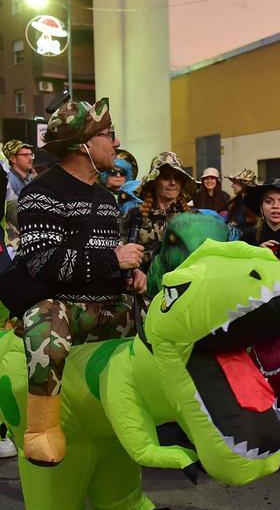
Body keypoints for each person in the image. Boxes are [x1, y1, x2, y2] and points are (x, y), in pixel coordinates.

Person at [14, 98, 142, 469]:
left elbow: (105, 251)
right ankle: (40, 429)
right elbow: (40, 262)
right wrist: (112, 259)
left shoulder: (106, 198)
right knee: (46, 324)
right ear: (82, 145)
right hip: (64, 310)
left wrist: (129, 271)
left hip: (111, 307)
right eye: (109, 135)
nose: (116, 144)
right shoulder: (40, 193)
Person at [124, 151, 197, 281]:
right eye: (166, 177)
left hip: (183, 289)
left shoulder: (194, 217)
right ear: (154, 181)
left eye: (177, 177)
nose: (173, 182)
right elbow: (123, 253)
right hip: (144, 293)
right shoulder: (135, 216)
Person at [225, 168, 260, 240]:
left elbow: (254, 226)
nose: (232, 186)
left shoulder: (254, 203)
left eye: (234, 182)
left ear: (243, 184)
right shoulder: (237, 202)